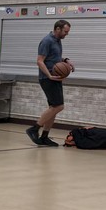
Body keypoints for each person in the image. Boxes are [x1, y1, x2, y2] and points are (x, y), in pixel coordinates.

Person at [27, 19, 74, 147]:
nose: (67, 34)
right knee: (59, 106)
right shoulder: (46, 41)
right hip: (47, 79)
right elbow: (40, 61)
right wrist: (49, 75)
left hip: (55, 78)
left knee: (53, 108)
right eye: (65, 31)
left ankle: (44, 137)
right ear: (58, 29)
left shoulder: (57, 41)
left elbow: (54, 57)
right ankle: (34, 129)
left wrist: (66, 61)